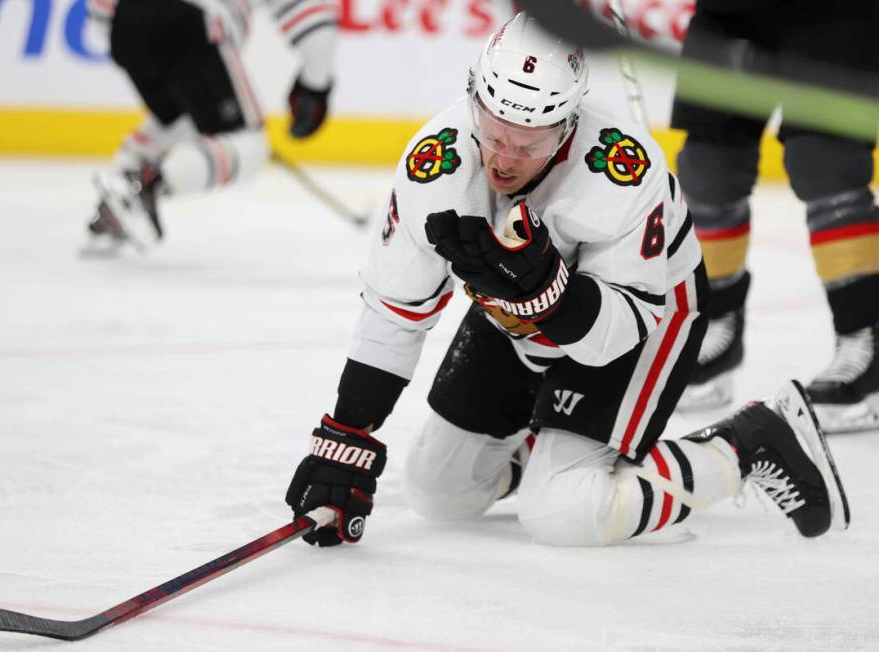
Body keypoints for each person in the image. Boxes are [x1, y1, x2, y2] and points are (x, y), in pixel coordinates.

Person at [282, 12, 849, 548]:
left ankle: (749, 443)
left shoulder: (622, 174)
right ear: (474, 96)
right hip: (519, 313)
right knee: (440, 490)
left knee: (563, 513)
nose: (504, 160)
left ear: (567, 125)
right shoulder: (438, 164)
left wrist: (547, 296)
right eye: (494, 132)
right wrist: (348, 436)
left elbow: (618, 334)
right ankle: (561, 445)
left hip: (645, 313)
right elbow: (394, 310)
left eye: (529, 144)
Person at [671, 0, 879, 433]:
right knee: (708, 166)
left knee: (824, 157)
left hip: (835, 11)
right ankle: (717, 334)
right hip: (730, 10)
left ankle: (865, 339)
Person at [83, 0, 337, 253]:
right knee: (249, 143)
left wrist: (124, 29)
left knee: (177, 121)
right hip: (193, 21)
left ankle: (115, 201)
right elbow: (309, 11)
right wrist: (315, 86)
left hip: (124, 25)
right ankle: (147, 184)